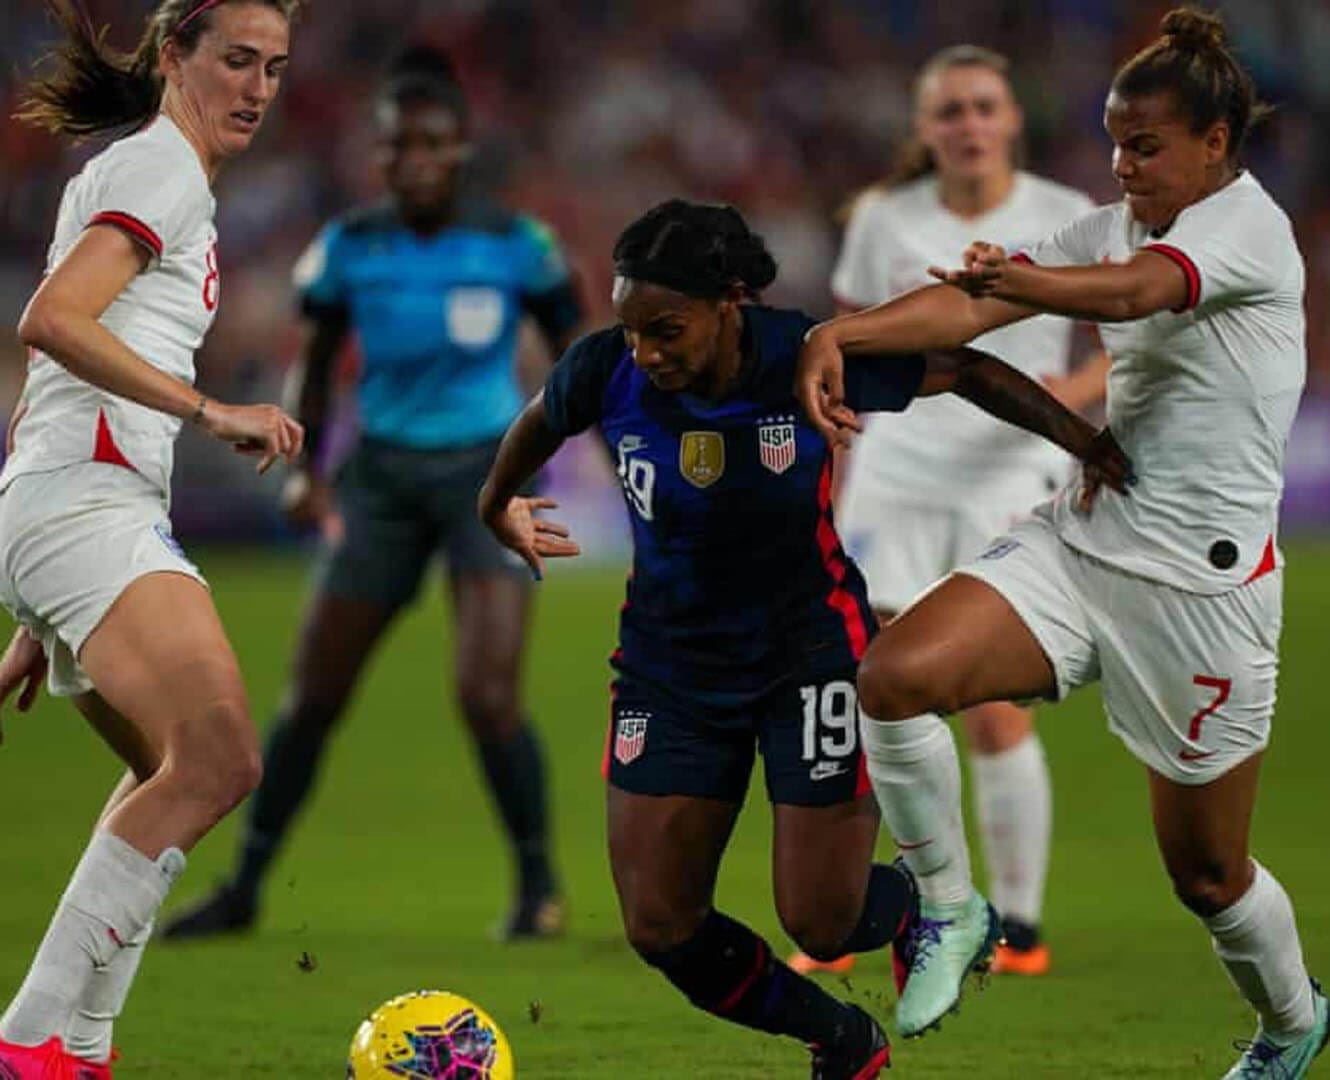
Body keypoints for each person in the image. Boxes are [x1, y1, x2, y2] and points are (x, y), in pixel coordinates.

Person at [477, 199, 1130, 1077]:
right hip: (668, 674)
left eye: (665, 330)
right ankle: (842, 1040)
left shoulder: (801, 354)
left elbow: (968, 368)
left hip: (806, 656)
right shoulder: (605, 369)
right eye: (631, 330)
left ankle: (925, 909)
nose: (646, 353)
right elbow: (538, 420)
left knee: (821, 920)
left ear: (729, 303)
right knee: (660, 924)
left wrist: (1086, 443)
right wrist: (496, 504)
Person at [797, 9, 1327, 1071]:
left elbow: (1135, 293)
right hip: (1085, 541)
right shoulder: (1110, 223)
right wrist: (838, 333)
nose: (1121, 165)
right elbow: (960, 312)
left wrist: (1010, 282)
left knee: (1207, 876)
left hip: (1202, 596)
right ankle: (950, 908)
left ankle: (1290, 1022)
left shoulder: (1245, 230)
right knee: (892, 677)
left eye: (1145, 145)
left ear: (1214, 144)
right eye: (1113, 143)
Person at [162, 45, 583, 945]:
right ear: (378, 152)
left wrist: (564, 446)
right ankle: (244, 886)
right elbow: (315, 364)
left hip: (487, 478)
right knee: (313, 693)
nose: (414, 161)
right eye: (397, 147)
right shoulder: (349, 247)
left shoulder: (516, 244)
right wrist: (308, 473)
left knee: (487, 695)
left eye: (432, 144)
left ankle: (539, 889)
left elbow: (578, 350)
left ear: (462, 148)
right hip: (383, 479)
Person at [0, 1, 303, 1076]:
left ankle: (82, 1046)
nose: (257, 88)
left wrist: (43, 606)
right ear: (174, 55)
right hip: (85, 505)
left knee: (167, 777)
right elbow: (52, 319)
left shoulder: (154, 174)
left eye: (272, 67)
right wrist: (207, 408)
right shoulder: (161, 172)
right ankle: (33, 1035)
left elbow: (63, 354)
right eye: (235, 60)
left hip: (79, 510)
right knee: (217, 754)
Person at [791, 45, 1109, 981]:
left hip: (1009, 467)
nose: (968, 125)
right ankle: (859, 914)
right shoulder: (884, 218)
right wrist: (835, 456)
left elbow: (1127, 346)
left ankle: (1017, 924)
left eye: (983, 108)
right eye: (950, 113)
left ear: (1011, 119)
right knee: (870, 686)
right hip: (897, 469)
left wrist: (1071, 386)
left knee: (995, 708)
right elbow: (845, 345)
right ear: (926, 130)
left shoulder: (1065, 216)